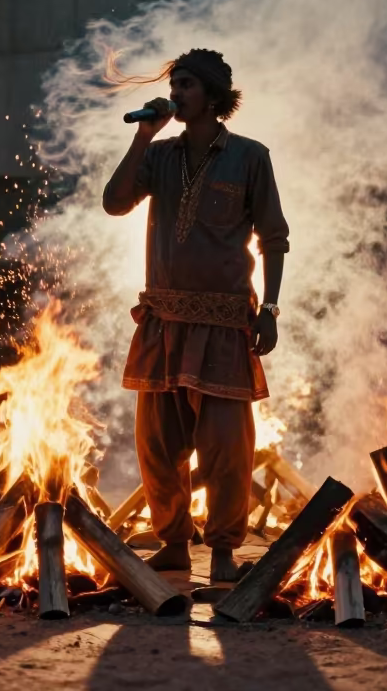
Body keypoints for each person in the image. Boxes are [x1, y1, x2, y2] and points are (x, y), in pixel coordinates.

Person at [102, 48, 289, 583]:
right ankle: (174, 543)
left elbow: (274, 239)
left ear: (212, 95)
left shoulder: (250, 157)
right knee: (157, 443)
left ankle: (225, 549)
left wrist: (270, 309)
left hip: (227, 322)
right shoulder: (158, 156)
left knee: (227, 447)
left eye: (185, 85)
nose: (177, 93)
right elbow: (115, 204)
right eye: (174, 85)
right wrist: (142, 137)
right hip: (163, 320)